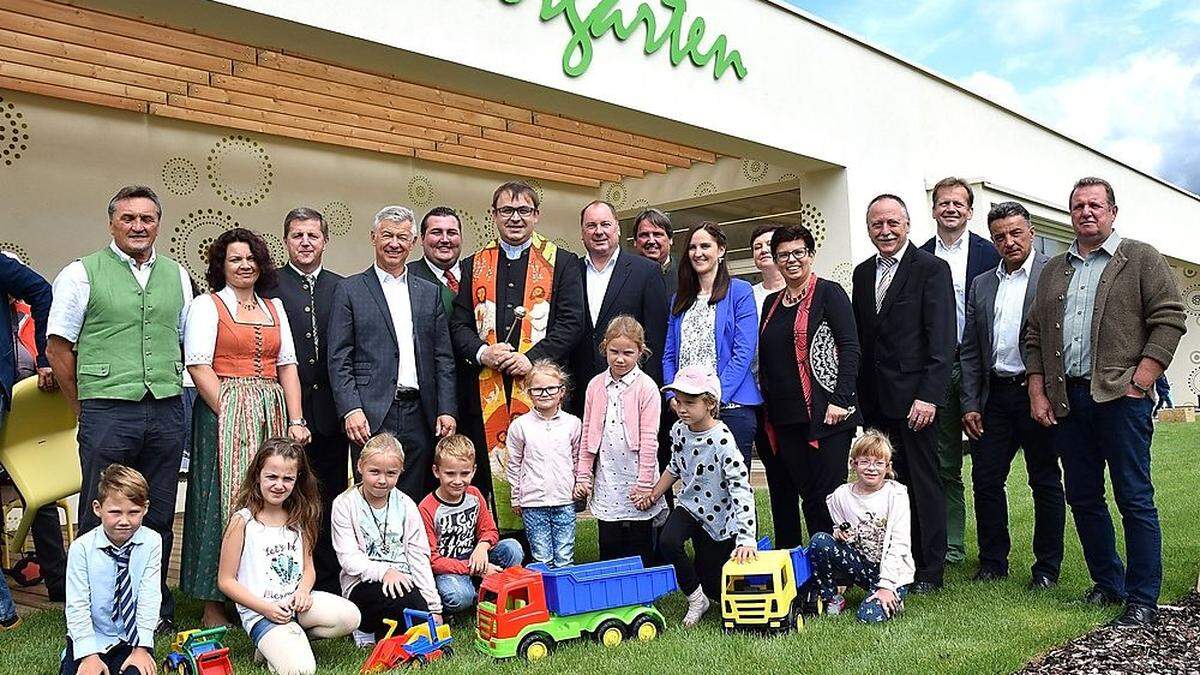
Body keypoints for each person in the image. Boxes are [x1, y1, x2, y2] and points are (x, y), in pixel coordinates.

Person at [1026, 177, 1187, 627]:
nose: (1086, 212)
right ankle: (1107, 583)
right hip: (1068, 402)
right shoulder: (1055, 269)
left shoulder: (1139, 257)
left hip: (1121, 398)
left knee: (1134, 497)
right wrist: (1038, 390)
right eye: (1078, 206)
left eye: (1095, 205)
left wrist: (1143, 378)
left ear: (1113, 212)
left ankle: (1142, 597)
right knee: (1083, 496)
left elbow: (1170, 318)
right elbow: (1035, 335)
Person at [46, 185, 193, 631]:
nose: (138, 226)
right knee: (102, 511)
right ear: (112, 222)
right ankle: (96, 612)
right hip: (107, 410)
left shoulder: (178, 274)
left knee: (159, 512)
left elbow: (183, 339)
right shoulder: (81, 273)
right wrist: (83, 407)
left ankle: (153, 610)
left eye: (147, 218)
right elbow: (58, 348)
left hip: (166, 408)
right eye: (128, 218)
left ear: (158, 224)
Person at [182, 228, 310, 628]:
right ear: (221, 265)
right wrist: (232, 411)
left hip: (270, 408)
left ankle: (262, 590)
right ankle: (213, 602)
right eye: (235, 258)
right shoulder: (208, 305)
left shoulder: (273, 307)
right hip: (223, 410)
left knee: (270, 496)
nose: (244, 265)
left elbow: (287, 365)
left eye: (251, 258)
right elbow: (199, 364)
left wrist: (295, 419)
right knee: (221, 498)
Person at [449, 181, 584, 530]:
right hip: (484, 391)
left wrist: (532, 359)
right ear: (494, 215)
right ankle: (489, 546)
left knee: (542, 467)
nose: (515, 218)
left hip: (541, 390)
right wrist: (483, 352)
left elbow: (572, 322)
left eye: (523, 210)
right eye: (506, 210)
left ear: (536, 215)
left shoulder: (563, 262)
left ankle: (541, 550)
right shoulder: (473, 264)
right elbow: (459, 324)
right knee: (482, 473)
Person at [851, 194, 955, 593]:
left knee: (924, 483)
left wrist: (929, 396)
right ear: (869, 229)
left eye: (893, 223)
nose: (886, 231)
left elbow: (942, 339)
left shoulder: (931, 269)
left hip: (916, 402)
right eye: (877, 224)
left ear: (908, 225)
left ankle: (930, 570)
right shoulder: (862, 274)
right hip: (876, 402)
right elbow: (862, 341)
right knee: (889, 489)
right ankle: (898, 563)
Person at [959, 202, 1064, 587]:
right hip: (995, 396)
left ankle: (1047, 568)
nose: (1009, 241)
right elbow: (971, 348)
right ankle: (992, 563)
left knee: (1045, 480)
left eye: (1016, 233)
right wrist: (970, 402)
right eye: (1000, 236)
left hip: (1038, 395)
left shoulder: (1054, 273)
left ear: (1031, 232)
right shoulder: (983, 283)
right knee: (985, 480)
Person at [327, 206, 457, 502]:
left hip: (420, 414)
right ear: (373, 238)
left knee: (415, 495)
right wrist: (351, 408)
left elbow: (443, 358)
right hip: (370, 414)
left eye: (402, 236)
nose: (394, 243)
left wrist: (446, 409)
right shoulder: (349, 290)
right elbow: (339, 358)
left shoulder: (429, 292)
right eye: (387, 235)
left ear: (413, 243)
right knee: (373, 494)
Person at [757, 224, 861, 549]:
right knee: (808, 498)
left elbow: (850, 346)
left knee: (828, 498)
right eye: (783, 254)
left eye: (798, 252)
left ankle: (836, 577)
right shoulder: (771, 303)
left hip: (827, 414)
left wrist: (840, 399)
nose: (791, 260)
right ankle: (815, 571)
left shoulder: (829, 293)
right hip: (785, 420)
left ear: (811, 255)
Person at [219, 439, 359, 674]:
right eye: (271, 477)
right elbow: (225, 580)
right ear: (257, 476)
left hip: (296, 607)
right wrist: (265, 609)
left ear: (297, 480)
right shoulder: (243, 522)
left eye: (288, 479)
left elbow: (308, 568)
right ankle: (275, 643)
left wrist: (303, 591)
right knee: (301, 670)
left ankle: (288, 640)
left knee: (350, 617)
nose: (279, 485)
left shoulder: (298, 519)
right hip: (262, 612)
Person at [265, 207, 348, 596]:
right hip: (285, 410)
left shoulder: (342, 287)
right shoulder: (269, 286)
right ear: (286, 241)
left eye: (313, 235)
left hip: (333, 412)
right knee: (287, 493)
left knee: (329, 495)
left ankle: (327, 579)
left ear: (325, 241)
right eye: (297, 235)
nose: (305, 242)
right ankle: (284, 578)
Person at [919, 177, 1001, 566]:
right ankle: (950, 545)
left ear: (970, 211)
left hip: (979, 370)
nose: (950, 209)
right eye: (943, 203)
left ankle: (993, 554)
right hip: (936, 368)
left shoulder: (990, 255)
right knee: (943, 462)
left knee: (987, 467)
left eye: (958, 203)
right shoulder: (917, 256)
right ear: (933, 209)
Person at [640, 365, 757, 627]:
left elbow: (741, 488)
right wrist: (654, 493)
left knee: (715, 586)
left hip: (719, 515)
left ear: (710, 403)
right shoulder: (679, 430)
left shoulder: (722, 440)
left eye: (690, 402)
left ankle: (709, 593)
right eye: (678, 402)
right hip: (690, 505)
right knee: (668, 542)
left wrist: (746, 538)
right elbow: (675, 466)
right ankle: (695, 598)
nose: (681, 408)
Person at [663, 222, 761, 470]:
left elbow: (744, 352)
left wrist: (715, 397)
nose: (698, 253)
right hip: (689, 411)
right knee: (695, 490)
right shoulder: (680, 299)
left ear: (721, 250)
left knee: (732, 493)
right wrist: (673, 397)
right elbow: (669, 355)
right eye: (693, 247)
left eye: (705, 246)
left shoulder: (740, 292)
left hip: (731, 407)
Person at [331, 433, 439, 646]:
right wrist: (385, 572)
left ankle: (396, 635)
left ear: (401, 472)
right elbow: (348, 558)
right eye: (374, 472)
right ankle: (365, 628)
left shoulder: (406, 505)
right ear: (360, 466)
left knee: (415, 608)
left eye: (391, 473)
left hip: (405, 583)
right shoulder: (344, 504)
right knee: (393, 598)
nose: (382, 480)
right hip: (364, 584)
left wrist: (434, 607)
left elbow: (418, 555)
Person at [1, 252, 66, 602]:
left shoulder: (33, 323)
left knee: (42, 493)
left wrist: (45, 361)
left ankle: (57, 581)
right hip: (9, 437)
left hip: (30, 439)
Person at [575, 316, 666, 564]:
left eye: (628, 352)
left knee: (640, 538)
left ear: (640, 351)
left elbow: (650, 439)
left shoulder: (646, 387)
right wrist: (583, 475)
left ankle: (643, 584)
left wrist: (646, 483)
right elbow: (587, 432)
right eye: (614, 351)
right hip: (608, 473)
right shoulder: (595, 386)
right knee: (609, 538)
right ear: (604, 347)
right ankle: (612, 584)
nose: (620, 359)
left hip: (637, 472)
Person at [570, 200, 668, 416]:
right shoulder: (570, 271)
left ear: (617, 228)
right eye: (591, 225)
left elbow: (656, 337)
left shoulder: (647, 272)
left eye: (605, 224)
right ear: (582, 233)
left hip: (632, 393)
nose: (598, 232)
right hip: (581, 394)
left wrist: (648, 393)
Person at [60, 465, 161, 675]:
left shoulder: (152, 542)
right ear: (98, 508)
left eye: (134, 512)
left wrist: (141, 648)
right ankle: (70, 656)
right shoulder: (81, 548)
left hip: (130, 637)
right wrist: (88, 655)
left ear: (146, 508)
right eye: (115, 512)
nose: (124, 521)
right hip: (93, 634)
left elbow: (149, 597)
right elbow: (77, 604)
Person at [808, 431, 914, 623]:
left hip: (892, 571)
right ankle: (831, 597)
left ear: (888, 467)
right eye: (865, 461)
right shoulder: (840, 495)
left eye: (879, 463)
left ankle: (892, 596)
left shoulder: (896, 495)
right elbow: (839, 527)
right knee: (819, 541)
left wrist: (886, 585)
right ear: (853, 464)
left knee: (868, 617)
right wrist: (839, 533)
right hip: (862, 565)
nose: (871, 468)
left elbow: (900, 544)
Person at [421, 434, 524, 614]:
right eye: (450, 474)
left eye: (465, 473)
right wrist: (474, 570)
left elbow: (490, 530)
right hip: (449, 568)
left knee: (512, 548)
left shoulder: (474, 495)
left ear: (474, 470)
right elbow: (432, 560)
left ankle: (496, 591)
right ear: (437, 471)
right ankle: (479, 594)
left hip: (477, 557)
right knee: (458, 597)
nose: (458, 481)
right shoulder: (426, 508)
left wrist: (482, 547)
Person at [507, 360, 581, 568]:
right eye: (538, 389)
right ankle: (545, 598)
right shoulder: (520, 426)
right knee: (541, 558)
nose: (545, 393)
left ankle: (565, 597)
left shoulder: (572, 424)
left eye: (551, 388)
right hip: (533, 502)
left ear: (561, 391)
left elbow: (577, 460)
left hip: (564, 500)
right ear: (528, 393)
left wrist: (578, 488)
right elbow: (514, 464)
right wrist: (516, 497)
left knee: (565, 557)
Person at [408, 206, 466, 315]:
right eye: (436, 232)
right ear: (422, 238)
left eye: (451, 233)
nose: (445, 239)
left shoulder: (476, 273)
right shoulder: (407, 277)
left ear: (461, 238)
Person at [632, 208, 677, 299]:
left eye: (657, 234)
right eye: (644, 235)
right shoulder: (625, 276)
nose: (651, 241)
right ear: (635, 242)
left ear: (670, 239)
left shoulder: (687, 273)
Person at [749, 223, 784, 315]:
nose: (763, 250)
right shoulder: (749, 294)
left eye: (769, 244)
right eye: (757, 247)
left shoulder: (798, 290)